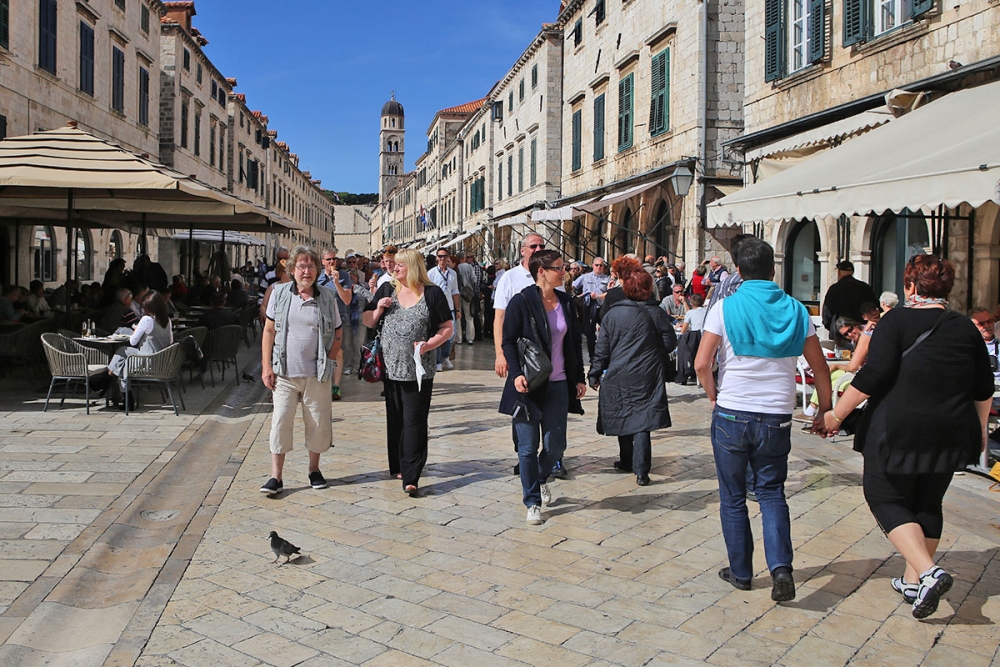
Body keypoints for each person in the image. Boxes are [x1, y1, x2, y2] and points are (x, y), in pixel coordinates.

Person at [823, 255, 992, 619]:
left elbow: (872, 377)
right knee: (927, 502)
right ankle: (914, 582)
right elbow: (982, 387)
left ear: (911, 286)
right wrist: (979, 430)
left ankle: (929, 573)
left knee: (883, 496)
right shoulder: (965, 328)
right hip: (950, 430)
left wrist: (837, 414)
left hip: (898, 428)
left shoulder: (895, 321)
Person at [694, 237, 832, 602]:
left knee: (733, 496)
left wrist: (712, 395)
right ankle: (781, 568)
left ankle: (740, 571)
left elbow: (701, 363)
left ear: (738, 270)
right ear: (774, 270)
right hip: (776, 415)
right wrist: (823, 408)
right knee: (772, 493)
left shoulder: (725, 307)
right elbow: (820, 367)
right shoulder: (797, 310)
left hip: (733, 411)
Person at [499, 249, 586, 525]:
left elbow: (573, 343)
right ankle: (532, 501)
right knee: (527, 447)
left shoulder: (566, 301)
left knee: (555, 445)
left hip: (559, 383)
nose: (564, 272)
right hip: (528, 383)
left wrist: (579, 377)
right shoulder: (522, 301)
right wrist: (514, 373)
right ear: (542, 272)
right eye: (559, 268)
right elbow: (508, 340)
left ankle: (539, 477)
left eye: (564, 267)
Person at [362, 249, 453, 495]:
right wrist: (379, 308)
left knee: (414, 420)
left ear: (413, 267)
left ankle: (411, 475)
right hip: (390, 368)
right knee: (396, 418)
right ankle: (399, 465)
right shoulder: (386, 289)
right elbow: (368, 321)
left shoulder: (433, 294)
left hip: (419, 370)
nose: (395, 268)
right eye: (395, 265)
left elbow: (447, 327)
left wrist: (429, 345)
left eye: (401, 264)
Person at [260, 246, 343, 496]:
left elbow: (338, 333)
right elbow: (269, 331)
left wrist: (329, 360)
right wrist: (266, 366)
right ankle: (276, 476)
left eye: (311, 266)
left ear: (318, 270)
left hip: (316, 374)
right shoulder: (280, 293)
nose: (306, 271)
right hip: (284, 372)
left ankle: (314, 470)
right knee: (280, 422)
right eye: (301, 266)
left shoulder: (327, 297)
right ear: (292, 269)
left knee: (317, 423)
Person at [589, 270, 676, 486]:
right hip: (648, 372)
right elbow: (670, 342)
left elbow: (603, 348)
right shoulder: (657, 314)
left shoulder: (613, 315)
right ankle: (642, 471)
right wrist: (653, 351)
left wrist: (595, 373)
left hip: (619, 372)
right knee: (642, 421)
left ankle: (627, 460)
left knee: (625, 413)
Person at [107, 291, 174, 409]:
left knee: (123, 354)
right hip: (162, 362)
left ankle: (111, 376)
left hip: (146, 362)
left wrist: (137, 329)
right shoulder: (167, 320)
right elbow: (170, 342)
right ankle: (112, 374)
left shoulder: (146, 320)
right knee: (123, 357)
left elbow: (133, 341)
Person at [493, 234, 546, 378]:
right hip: (521, 350)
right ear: (523, 251)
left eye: (542, 246)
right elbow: (499, 318)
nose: (538, 249)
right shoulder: (509, 278)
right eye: (533, 246)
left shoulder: (551, 275)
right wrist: (500, 354)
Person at [318, 250, 355, 399]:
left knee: (338, 352)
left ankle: (336, 386)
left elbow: (347, 300)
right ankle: (321, 383)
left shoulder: (344, 276)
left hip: (340, 318)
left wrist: (337, 283)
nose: (332, 262)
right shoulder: (317, 277)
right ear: (323, 261)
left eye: (334, 259)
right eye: (329, 259)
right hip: (320, 319)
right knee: (320, 351)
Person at [822, 260, 877, 347]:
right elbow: (874, 307)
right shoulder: (865, 288)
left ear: (839, 272)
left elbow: (827, 314)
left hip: (840, 333)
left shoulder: (834, 289)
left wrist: (834, 328)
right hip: (860, 331)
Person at [429, 248, 461, 371]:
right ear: (437, 258)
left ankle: (445, 356)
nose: (442, 259)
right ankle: (437, 361)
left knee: (450, 335)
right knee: (437, 334)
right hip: (436, 308)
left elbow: (455, 291)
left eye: (444, 256)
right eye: (440, 256)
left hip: (450, 307)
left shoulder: (453, 273)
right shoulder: (431, 273)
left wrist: (458, 309)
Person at [572, 256, 610, 358]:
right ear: (593, 265)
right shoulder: (585, 277)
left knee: (606, 331)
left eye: (601, 265)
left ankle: (603, 354)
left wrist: (597, 296)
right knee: (589, 333)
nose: (598, 267)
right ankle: (592, 356)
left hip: (601, 307)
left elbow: (609, 293)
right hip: (588, 307)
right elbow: (572, 286)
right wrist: (579, 297)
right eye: (596, 265)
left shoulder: (607, 279)